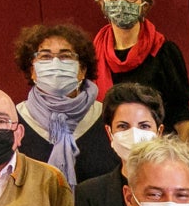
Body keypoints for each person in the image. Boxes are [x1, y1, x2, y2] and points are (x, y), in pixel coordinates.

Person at [91, 0, 189, 136]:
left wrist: (185, 162)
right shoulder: (93, 55)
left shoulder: (164, 51)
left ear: (144, 5)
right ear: (102, 1)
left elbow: (182, 120)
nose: (121, 2)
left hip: (159, 152)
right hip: (109, 150)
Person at [10, 21, 113, 188]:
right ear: (32, 71)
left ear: (82, 70)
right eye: (45, 56)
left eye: (65, 56)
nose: (55, 64)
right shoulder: (14, 121)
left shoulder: (107, 117)